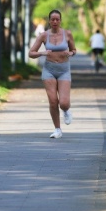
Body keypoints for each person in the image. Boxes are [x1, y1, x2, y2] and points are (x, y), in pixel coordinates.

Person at [28, 9, 77, 139]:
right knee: (53, 101)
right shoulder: (44, 35)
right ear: (49, 21)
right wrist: (42, 53)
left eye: (57, 19)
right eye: (52, 19)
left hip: (64, 70)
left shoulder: (67, 34)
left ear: (60, 21)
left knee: (64, 102)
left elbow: (74, 50)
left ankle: (66, 110)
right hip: (49, 70)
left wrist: (70, 53)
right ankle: (57, 129)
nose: (55, 21)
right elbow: (31, 53)